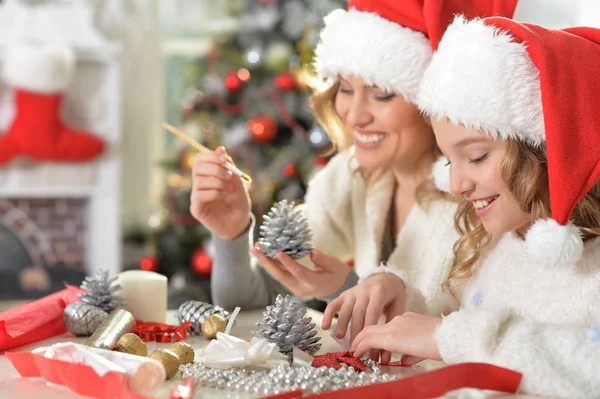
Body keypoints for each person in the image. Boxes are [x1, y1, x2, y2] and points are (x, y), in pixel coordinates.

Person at [190, 0, 518, 341]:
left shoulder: (483, 198)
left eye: (382, 95)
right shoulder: (354, 175)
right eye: (346, 89)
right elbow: (249, 304)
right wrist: (231, 233)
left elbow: (478, 346)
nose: (354, 115)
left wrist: (344, 289)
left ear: (432, 101)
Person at [343, 16, 600, 398]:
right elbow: (457, 325)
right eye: (449, 161)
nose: (458, 184)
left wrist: (453, 337)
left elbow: (584, 365)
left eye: (476, 156)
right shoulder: (502, 238)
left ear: (552, 149)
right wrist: (398, 293)